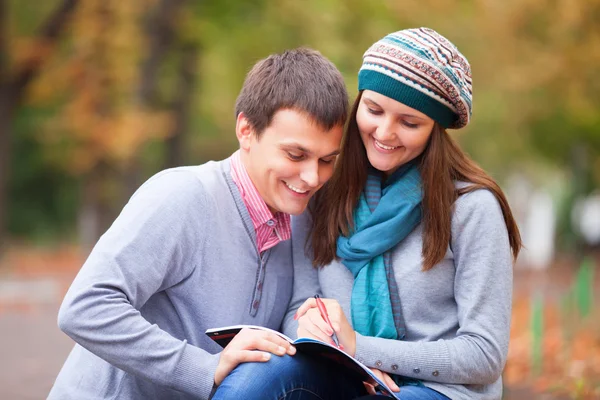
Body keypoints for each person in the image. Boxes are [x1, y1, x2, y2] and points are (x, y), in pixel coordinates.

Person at [212, 27, 522, 400]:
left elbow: (484, 355)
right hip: (343, 372)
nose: (385, 132)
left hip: (440, 390)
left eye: (409, 122)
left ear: (434, 130)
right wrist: (312, 329)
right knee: (256, 379)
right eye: (373, 110)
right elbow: (300, 306)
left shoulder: (472, 208)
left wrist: (364, 349)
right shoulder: (322, 189)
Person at [48, 47, 349, 400]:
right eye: (295, 155)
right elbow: (84, 307)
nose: (312, 177)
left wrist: (316, 331)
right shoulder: (182, 197)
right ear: (246, 130)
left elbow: (292, 310)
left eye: (327, 160)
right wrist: (204, 368)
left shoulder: (299, 216)